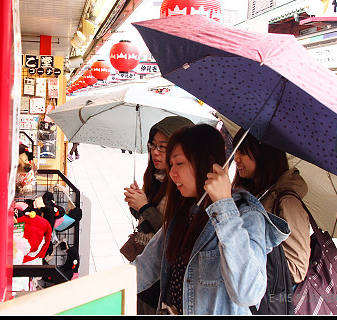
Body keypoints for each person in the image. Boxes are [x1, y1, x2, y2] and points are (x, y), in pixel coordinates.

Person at [132, 124, 290, 315]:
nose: (172, 173)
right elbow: (145, 267)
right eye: (171, 164)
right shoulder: (184, 213)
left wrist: (223, 206)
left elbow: (248, 293)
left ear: (207, 163)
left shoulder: (247, 216)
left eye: (179, 163)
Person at [122, 115, 194, 314]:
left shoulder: (184, 190)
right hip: (145, 267)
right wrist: (138, 203)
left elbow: (172, 233)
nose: (156, 152)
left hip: (161, 280)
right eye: (153, 145)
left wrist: (145, 207)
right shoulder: (156, 178)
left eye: (164, 146)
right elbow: (146, 223)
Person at [231, 129, 311, 286]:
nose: (236, 158)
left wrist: (251, 253)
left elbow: (297, 269)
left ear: (264, 155)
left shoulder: (287, 201)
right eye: (237, 151)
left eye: (243, 153)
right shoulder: (252, 191)